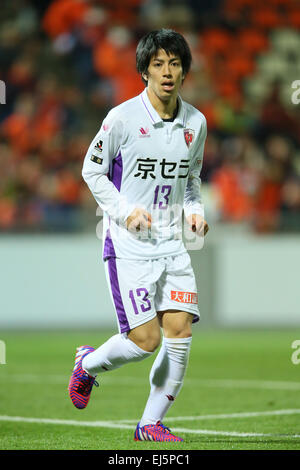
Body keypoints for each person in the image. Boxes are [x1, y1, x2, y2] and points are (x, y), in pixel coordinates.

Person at [68, 28, 209, 442]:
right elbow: (91, 170)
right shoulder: (122, 118)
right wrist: (126, 212)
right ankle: (88, 365)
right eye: (158, 64)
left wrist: (195, 213)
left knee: (180, 332)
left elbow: (193, 179)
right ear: (144, 72)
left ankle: (149, 424)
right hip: (129, 246)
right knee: (145, 341)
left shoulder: (196, 123)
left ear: (185, 71)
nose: (167, 72)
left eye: (175, 63)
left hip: (173, 245)